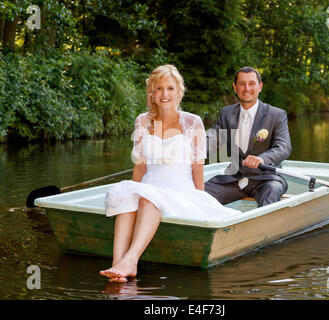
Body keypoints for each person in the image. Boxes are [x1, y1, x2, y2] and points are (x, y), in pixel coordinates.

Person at [99, 65, 241, 283]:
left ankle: (131, 260)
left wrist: (199, 198)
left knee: (149, 199)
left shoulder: (192, 122)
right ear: (152, 94)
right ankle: (118, 264)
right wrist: (132, 191)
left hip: (178, 190)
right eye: (159, 89)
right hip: (148, 184)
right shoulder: (143, 122)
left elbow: (197, 167)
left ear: (179, 92)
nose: (165, 94)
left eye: (170, 88)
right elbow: (140, 166)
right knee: (126, 195)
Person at [205, 66, 292, 207]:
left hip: (267, 179)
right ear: (235, 87)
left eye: (251, 83)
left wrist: (262, 158)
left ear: (260, 86)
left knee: (272, 190)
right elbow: (212, 140)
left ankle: (265, 228)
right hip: (234, 178)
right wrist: (193, 149)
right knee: (200, 193)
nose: (247, 88)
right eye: (242, 83)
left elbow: (284, 147)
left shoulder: (276, 115)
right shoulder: (226, 113)